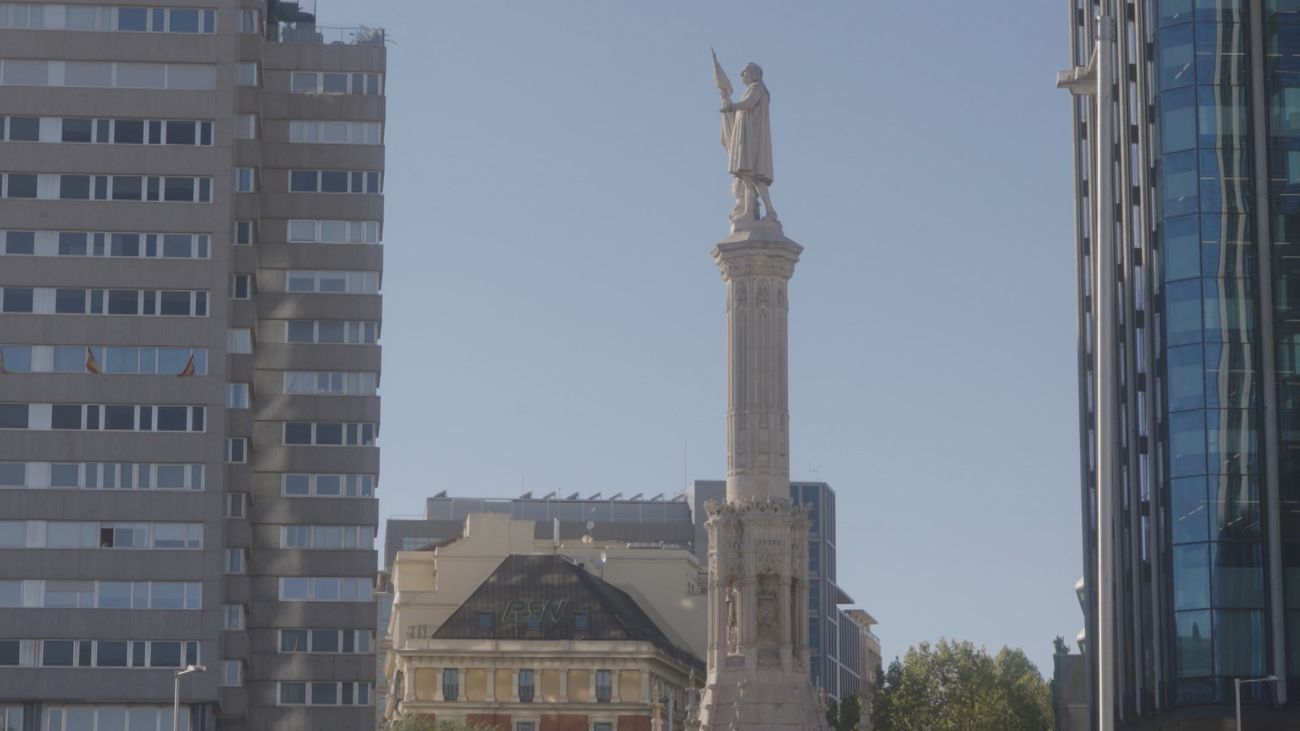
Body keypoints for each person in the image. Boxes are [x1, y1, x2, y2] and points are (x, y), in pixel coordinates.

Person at [720, 63, 778, 224]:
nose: (741, 74)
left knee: (754, 178)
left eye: (744, 71)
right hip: (747, 138)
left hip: (751, 141)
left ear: (753, 73)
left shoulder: (757, 89)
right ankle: (751, 212)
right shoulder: (753, 90)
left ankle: (769, 211)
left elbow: (749, 103)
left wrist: (732, 106)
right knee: (748, 180)